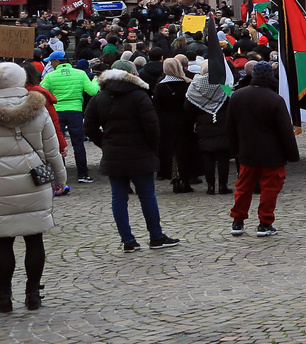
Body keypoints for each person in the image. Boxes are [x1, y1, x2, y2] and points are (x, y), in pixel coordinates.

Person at [82, 60, 180, 252]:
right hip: (140, 152)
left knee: (118, 198)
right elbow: (152, 127)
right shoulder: (140, 96)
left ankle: (127, 240)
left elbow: (89, 127)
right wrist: (151, 148)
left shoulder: (99, 98)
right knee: (147, 196)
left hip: (114, 153)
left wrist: (104, 143)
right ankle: (156, 236)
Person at [0, 61, 68, 311]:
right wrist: (60, 179)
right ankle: (33, 294)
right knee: (34, 237)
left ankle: (4, 297)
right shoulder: (38, 109)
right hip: (33, 180)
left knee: (2, 242)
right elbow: (52, 149)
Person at [222, 61, 299, 237]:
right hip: (272, 154)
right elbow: (285, 131)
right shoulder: (274, 99)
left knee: (243, 187)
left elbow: (230, 127)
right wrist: (292, 155)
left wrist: (235, 150)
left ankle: (237, 221)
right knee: (270, 189)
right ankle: (265, 223)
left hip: (247, 152)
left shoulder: (238, 96)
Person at [40, 53, 96, 184]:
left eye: (51, 62)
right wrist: (95, 80)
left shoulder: (49, 76)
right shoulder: (80, 74)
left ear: (56, 61)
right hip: (75, 111)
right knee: (78, 144)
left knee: (58, 144)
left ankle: (62, 174)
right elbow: (92, 91)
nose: (50, 64)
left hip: (57, 112)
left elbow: (41, 92)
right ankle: (83, 174)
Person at [184, 60, 233, 195]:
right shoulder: (222, 84)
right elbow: (230, 100)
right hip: (222, 124)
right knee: (223, 157)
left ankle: (210, 186)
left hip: (203, 126)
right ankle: (223, 185)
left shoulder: (195, 86)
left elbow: (188, 107)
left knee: (207, 158)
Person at [152, 56, 196, 193]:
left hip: (167, 122)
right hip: (185, 121)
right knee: (185, 151)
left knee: (171, 151)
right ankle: (185, 178)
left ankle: (174, 177)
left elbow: (157, 107)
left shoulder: (160, 87)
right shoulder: (188, 84)